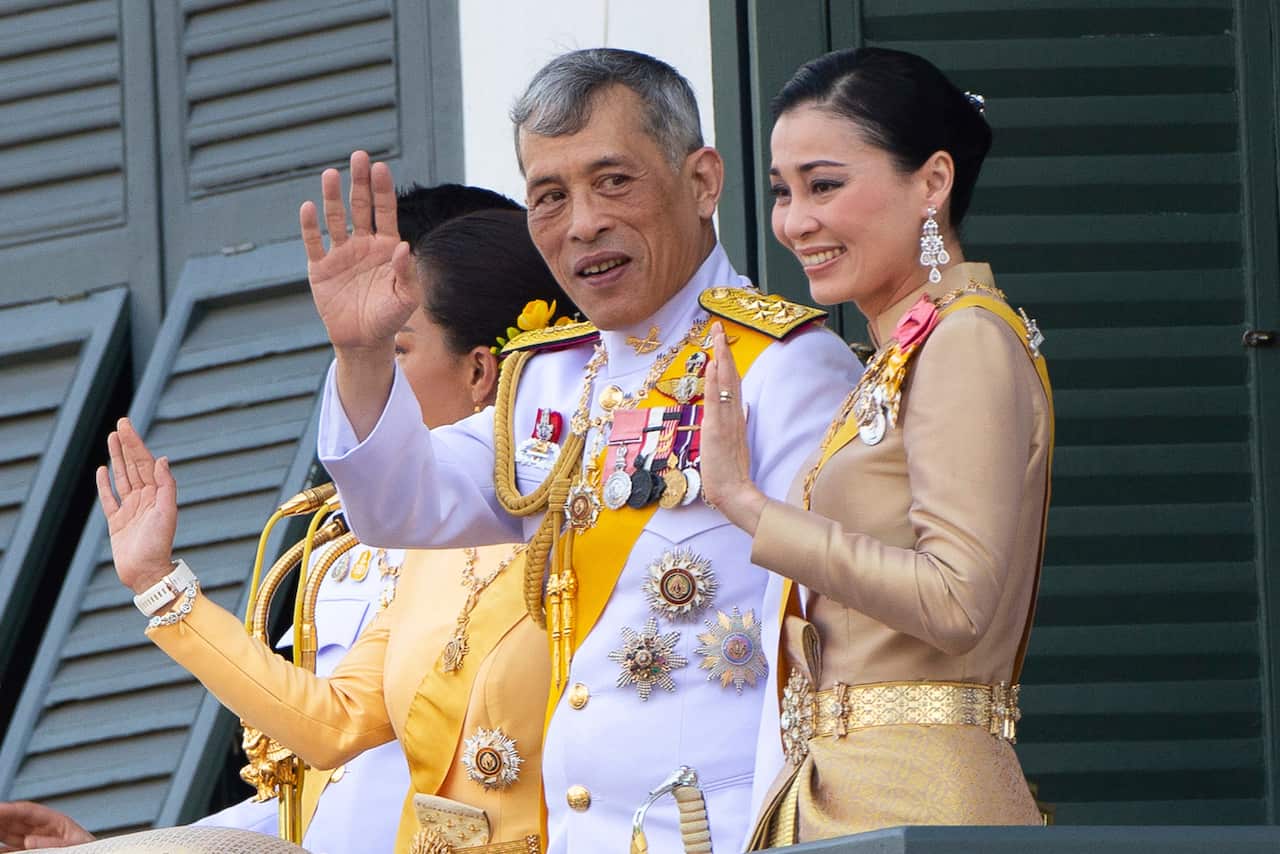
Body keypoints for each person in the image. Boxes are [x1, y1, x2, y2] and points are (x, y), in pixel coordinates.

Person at [309, 48, 861, 852]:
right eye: (549, 196)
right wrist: (363, 356)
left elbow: (832, 643)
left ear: (702, 181)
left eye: (614, 181)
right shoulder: (549, 381)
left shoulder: (784, 367)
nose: (583, 223)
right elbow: (400, 506)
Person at [0, 186, 525, 854]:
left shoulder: (547, 524)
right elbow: (320, 772)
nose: (362, 375)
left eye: (390, 349)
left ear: (481, 369)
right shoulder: (355, 545)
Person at [698, 46, 1053, 846]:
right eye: (783, 193)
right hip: (853, 793)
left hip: (913, 800)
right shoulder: (904, 350)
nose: (794, 222)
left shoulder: (963, 339)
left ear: (932, 182)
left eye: (825, 185)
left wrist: (748, 506)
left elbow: (956, 602)